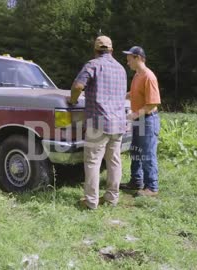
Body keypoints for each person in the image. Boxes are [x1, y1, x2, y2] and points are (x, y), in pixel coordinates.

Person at [69, 35, 127, 209]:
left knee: (93, 162)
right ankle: (111, 199)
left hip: (98, 123)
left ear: (95, 50)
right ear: (111, 50)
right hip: (118, 123)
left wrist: (72, 100)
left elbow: (78, 86)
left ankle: (91, 202)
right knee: (114, 161)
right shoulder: (121, 69)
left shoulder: (92, 65)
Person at [120, 46, 161, 197]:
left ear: (137, 58)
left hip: (148, 121)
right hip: (139, 120)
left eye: (129, 59)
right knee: (135, 151)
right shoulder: (138, 75)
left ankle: (152, 187)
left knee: (147, 154)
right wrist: (123, 96)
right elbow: (136, 93)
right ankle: (136, 181)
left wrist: (134, 115)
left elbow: (152, 104)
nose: (127, 62)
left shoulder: (149, 77)